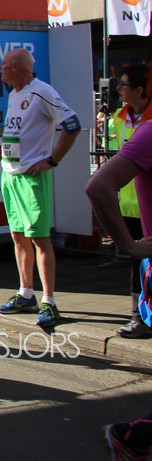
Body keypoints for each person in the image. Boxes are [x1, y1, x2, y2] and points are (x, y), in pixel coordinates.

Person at [85, 92, 152, 460]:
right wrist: (129, 245)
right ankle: (131, 437)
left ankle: (133, 437)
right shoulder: (148, 132)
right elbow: (98, 186)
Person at [0, 47, 81, 330]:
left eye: (4, 64)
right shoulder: (14, 93)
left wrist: (52, 160)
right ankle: (26, 293)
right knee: (18, 235)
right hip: (10, 174)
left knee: (39, 238)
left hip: (32, 176)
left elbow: (72, 125)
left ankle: (49, 302)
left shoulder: (43, 91)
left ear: (16, 66)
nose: (0, 68)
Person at [108, 63, 152, 339]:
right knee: (137, 263)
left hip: (148, 206)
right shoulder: (118, 118)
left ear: (139, 90)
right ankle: (139, 316)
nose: (119, 89)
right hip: (128, 204)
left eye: (123, 85)